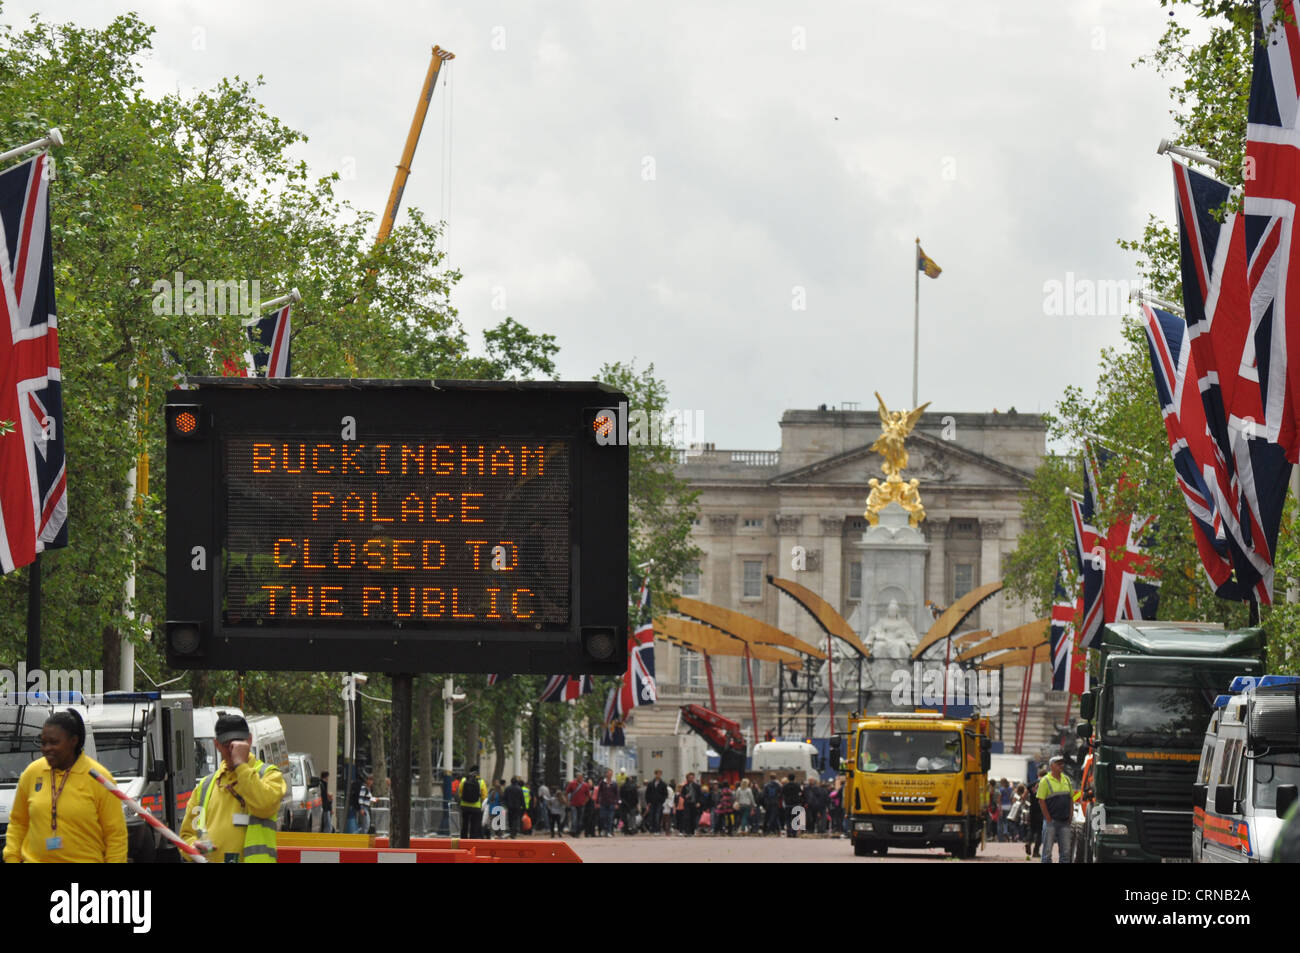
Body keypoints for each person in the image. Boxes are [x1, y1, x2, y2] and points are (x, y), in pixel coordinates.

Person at [3, 709, 127, 864]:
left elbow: (115, 835)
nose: (46, 748)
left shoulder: (99, 779)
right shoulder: (32, 773)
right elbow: (18, 823)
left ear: (73, 741)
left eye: (54, 742)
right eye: (43, 742)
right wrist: (12, 858)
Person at [179, 713, 286, 863]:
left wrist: (241, 766)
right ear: (217, 745)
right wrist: (192, 847)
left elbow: (264, 806)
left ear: (249, 740)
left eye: (238, 743)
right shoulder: (206, 786)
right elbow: (187, 834)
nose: (233, 750)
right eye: (227, 744)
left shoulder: (269, 775)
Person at [1037, 756, 1075, 863]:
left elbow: (1071, 798)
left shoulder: (1066, 779)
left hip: (1065, 822)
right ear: (1051, 766)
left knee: (1066, 854)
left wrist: (1071, 815)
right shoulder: (1045, 781)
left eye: (1062, 763)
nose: (1061, 766)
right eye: (1058, 764)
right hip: (1051, 822)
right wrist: (1048, 819)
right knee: (1047, 853)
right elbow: (1041, 800)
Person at [459, 765, 485, 840]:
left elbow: (460, 792)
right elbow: (484, 795)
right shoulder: (481, 781)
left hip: (464, 806)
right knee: (474, 825)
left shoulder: (464, 780)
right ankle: (472, 839)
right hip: (476, 807)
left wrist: (463, 799)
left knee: (465, 824)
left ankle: (463, 839)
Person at [597, 769, 619, 836]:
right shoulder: (602, 783)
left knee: (610, 818)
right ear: (606, 774)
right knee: (603, 817)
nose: (610, 775)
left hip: (612, 803)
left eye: (611, 774)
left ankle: (609, 831)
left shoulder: (614, 783)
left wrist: (617, 803)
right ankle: (605, 829)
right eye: (609, 773)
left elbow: (617, 794)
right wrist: (597, 802)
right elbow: (599, 793)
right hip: (603, 803)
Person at [645, 769, 668, 834]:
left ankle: (657, 829)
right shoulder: (650, 784)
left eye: (660, 774)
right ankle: (652, 828)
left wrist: (662, 800)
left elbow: (665, 794)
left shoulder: (663, 784)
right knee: (651, 815)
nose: (659, 775)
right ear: (655, 774)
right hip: (652, 802)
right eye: (657, 774)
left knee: (658, 815)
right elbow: (647, 793)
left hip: (659, 802)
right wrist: (648, 802)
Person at [781, 773, 804, 837]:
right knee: (795, 819)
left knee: (788, 819)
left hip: (788, 804)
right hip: (795, 804)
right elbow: (801, 793)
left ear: (788, 778)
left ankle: (788, 833)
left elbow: (782, 794)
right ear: (794, 778)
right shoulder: (797, 785)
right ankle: (794, 833)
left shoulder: (785, 786)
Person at [318, 769, 333, 833]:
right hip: (325, 808)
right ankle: (325, 839)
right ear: (326, 777)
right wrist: (329, 807)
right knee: (328, 826)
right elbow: (324, 798)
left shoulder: (321, 784)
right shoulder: (323, 785)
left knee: (327, 825)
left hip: (325, 807)